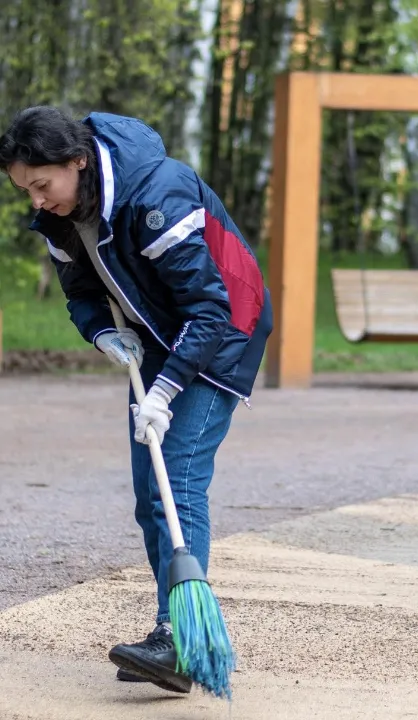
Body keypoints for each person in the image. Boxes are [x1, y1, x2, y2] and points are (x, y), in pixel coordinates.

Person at [0, 107, 273, 692]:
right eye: (25, 191)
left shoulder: (156, 195)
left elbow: (210, 310)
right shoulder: (60, 215)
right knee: (152, 494)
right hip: (154, 336)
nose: (37, 202)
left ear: (77, 162)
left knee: (176, 478)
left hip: (222, 333)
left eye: (43, 186)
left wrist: (167, 390)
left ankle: (180, 636)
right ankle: (176, 636)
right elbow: (81, 295)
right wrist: (102, 333)